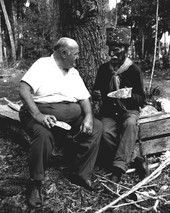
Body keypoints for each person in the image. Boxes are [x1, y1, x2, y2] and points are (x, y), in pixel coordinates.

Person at [19, 37, 102, 208]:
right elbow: (23, 89)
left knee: (97, 127)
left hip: (68, 119)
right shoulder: (43, 65)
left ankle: (81, 173)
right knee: (43, 135)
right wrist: (38, 115)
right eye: (76, 54)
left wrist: (87, 117)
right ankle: (35, 183)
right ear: (64, 53)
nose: (78, 57)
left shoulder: (73, 72)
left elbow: (84, 98)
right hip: (39, 113)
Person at [92, 27, 146, 183]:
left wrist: (127, 95)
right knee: (104, 130)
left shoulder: (133, 70)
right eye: (111, 50)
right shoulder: (104, 69)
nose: (112, 54)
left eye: (117, 51)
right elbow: (97, 90)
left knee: (130, 124)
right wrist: (97, 94)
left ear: (125, 50)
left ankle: (118, 169)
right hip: (109, 113)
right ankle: (133, 158)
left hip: (129, 111)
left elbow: (141, 99)